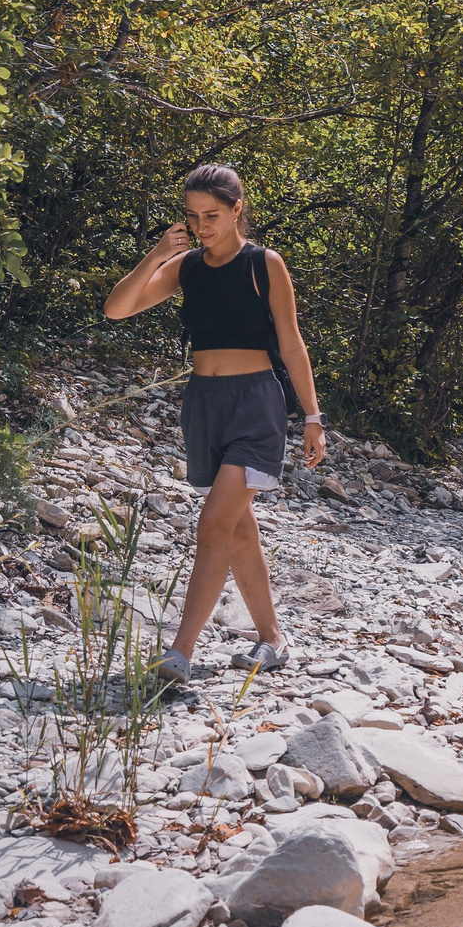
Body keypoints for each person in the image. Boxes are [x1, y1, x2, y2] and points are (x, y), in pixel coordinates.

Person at [103, 163, 326, 687]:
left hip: (257, 407)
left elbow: (292, 344)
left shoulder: (264, 264)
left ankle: (179, 652)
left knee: (211, 524)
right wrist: (158, 254)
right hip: (204, 405)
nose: (202, 226)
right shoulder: (186, 268)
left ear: (236, 211)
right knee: (238, 532)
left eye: (212, 215)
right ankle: (272, 639)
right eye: (193, 216)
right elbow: (117, 309)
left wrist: (312, 416)